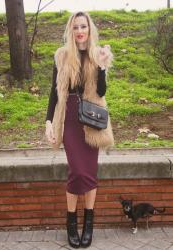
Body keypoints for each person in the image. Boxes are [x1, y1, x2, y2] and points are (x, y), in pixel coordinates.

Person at [45, 11, 114, 248]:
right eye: (75, 27)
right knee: (77, 171)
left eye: (83, 26)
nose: (79, 31)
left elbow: (102, 92)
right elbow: (54, 93)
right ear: (70, 30)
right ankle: (71, 222)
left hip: (91, 120)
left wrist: (103, 67)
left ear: (89, 29)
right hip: (70, 119)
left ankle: (88, 223)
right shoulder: (62, 56)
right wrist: (48, 122)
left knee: (90, 173)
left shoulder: (96, 55)